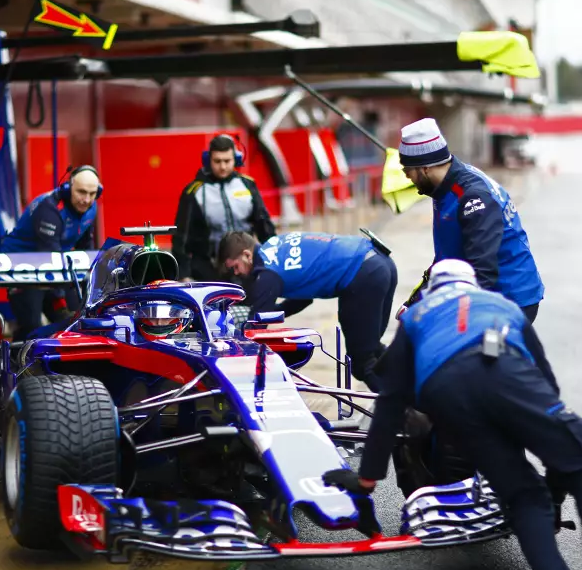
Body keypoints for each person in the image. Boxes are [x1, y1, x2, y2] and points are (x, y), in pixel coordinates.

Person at [322, 260, 582, 570]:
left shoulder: (417, 316)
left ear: (432, 290)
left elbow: (390, 403)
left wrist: (367, 478)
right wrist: (558, 464)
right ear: (471, 284)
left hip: (444, 394)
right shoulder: (499, 303)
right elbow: (546, 381)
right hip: (503, 370)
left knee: (523, 495)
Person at [397, 118, 544, 323]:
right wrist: (415, 303)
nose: (407, 178)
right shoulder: (444, 185)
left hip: (508, 299)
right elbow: (447, 257)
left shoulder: (473, 198)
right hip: (483, 289)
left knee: (471, 353)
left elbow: (482, 271)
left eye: (408, 172)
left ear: (425, 168)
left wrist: (450, 316)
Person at [219, 230, 396, 388]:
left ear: (247, 255)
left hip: (363, 274)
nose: (236, 273)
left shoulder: (266, 275)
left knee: (362, 363)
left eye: (235, 267)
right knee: (372, 349)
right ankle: (411, 389)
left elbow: (255, 326)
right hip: (380, 261)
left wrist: (231, 349)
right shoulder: (274, 245)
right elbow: (302, 299)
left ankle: (403, 413)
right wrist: (278, 311)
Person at [0, 164, 101, 340]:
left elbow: (86, 250)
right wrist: (59, 298)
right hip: (21, 267)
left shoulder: (91, 208)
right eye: (81, 192)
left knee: (76, 320)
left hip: (56, 264)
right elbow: (50, 257)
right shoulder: (49, 208)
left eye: (92, 194)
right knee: (31, 327)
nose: (86, 199)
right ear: (68, 188)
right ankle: (16, 360)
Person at [173, 134, 276, 283]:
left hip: (247, 264)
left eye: (227, 161)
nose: (222, 166)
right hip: (209, 269)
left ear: (236, 159)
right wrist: (183, 274)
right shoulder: (193, 192)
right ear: (208, 160)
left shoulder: (248, 185)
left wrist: (274, 257)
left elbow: (264, 225)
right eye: (217, 161)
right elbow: (181, 238)